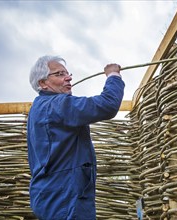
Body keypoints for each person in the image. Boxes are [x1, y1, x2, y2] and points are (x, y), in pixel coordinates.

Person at [27, 55, 125, 220]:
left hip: (54, 194)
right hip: (65, 197)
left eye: (67, 73)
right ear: (43, 83)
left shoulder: (39, 108)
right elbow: (107, 105)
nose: (68, 77)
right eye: (59, 74)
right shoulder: (57, 105)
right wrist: (113, 76)